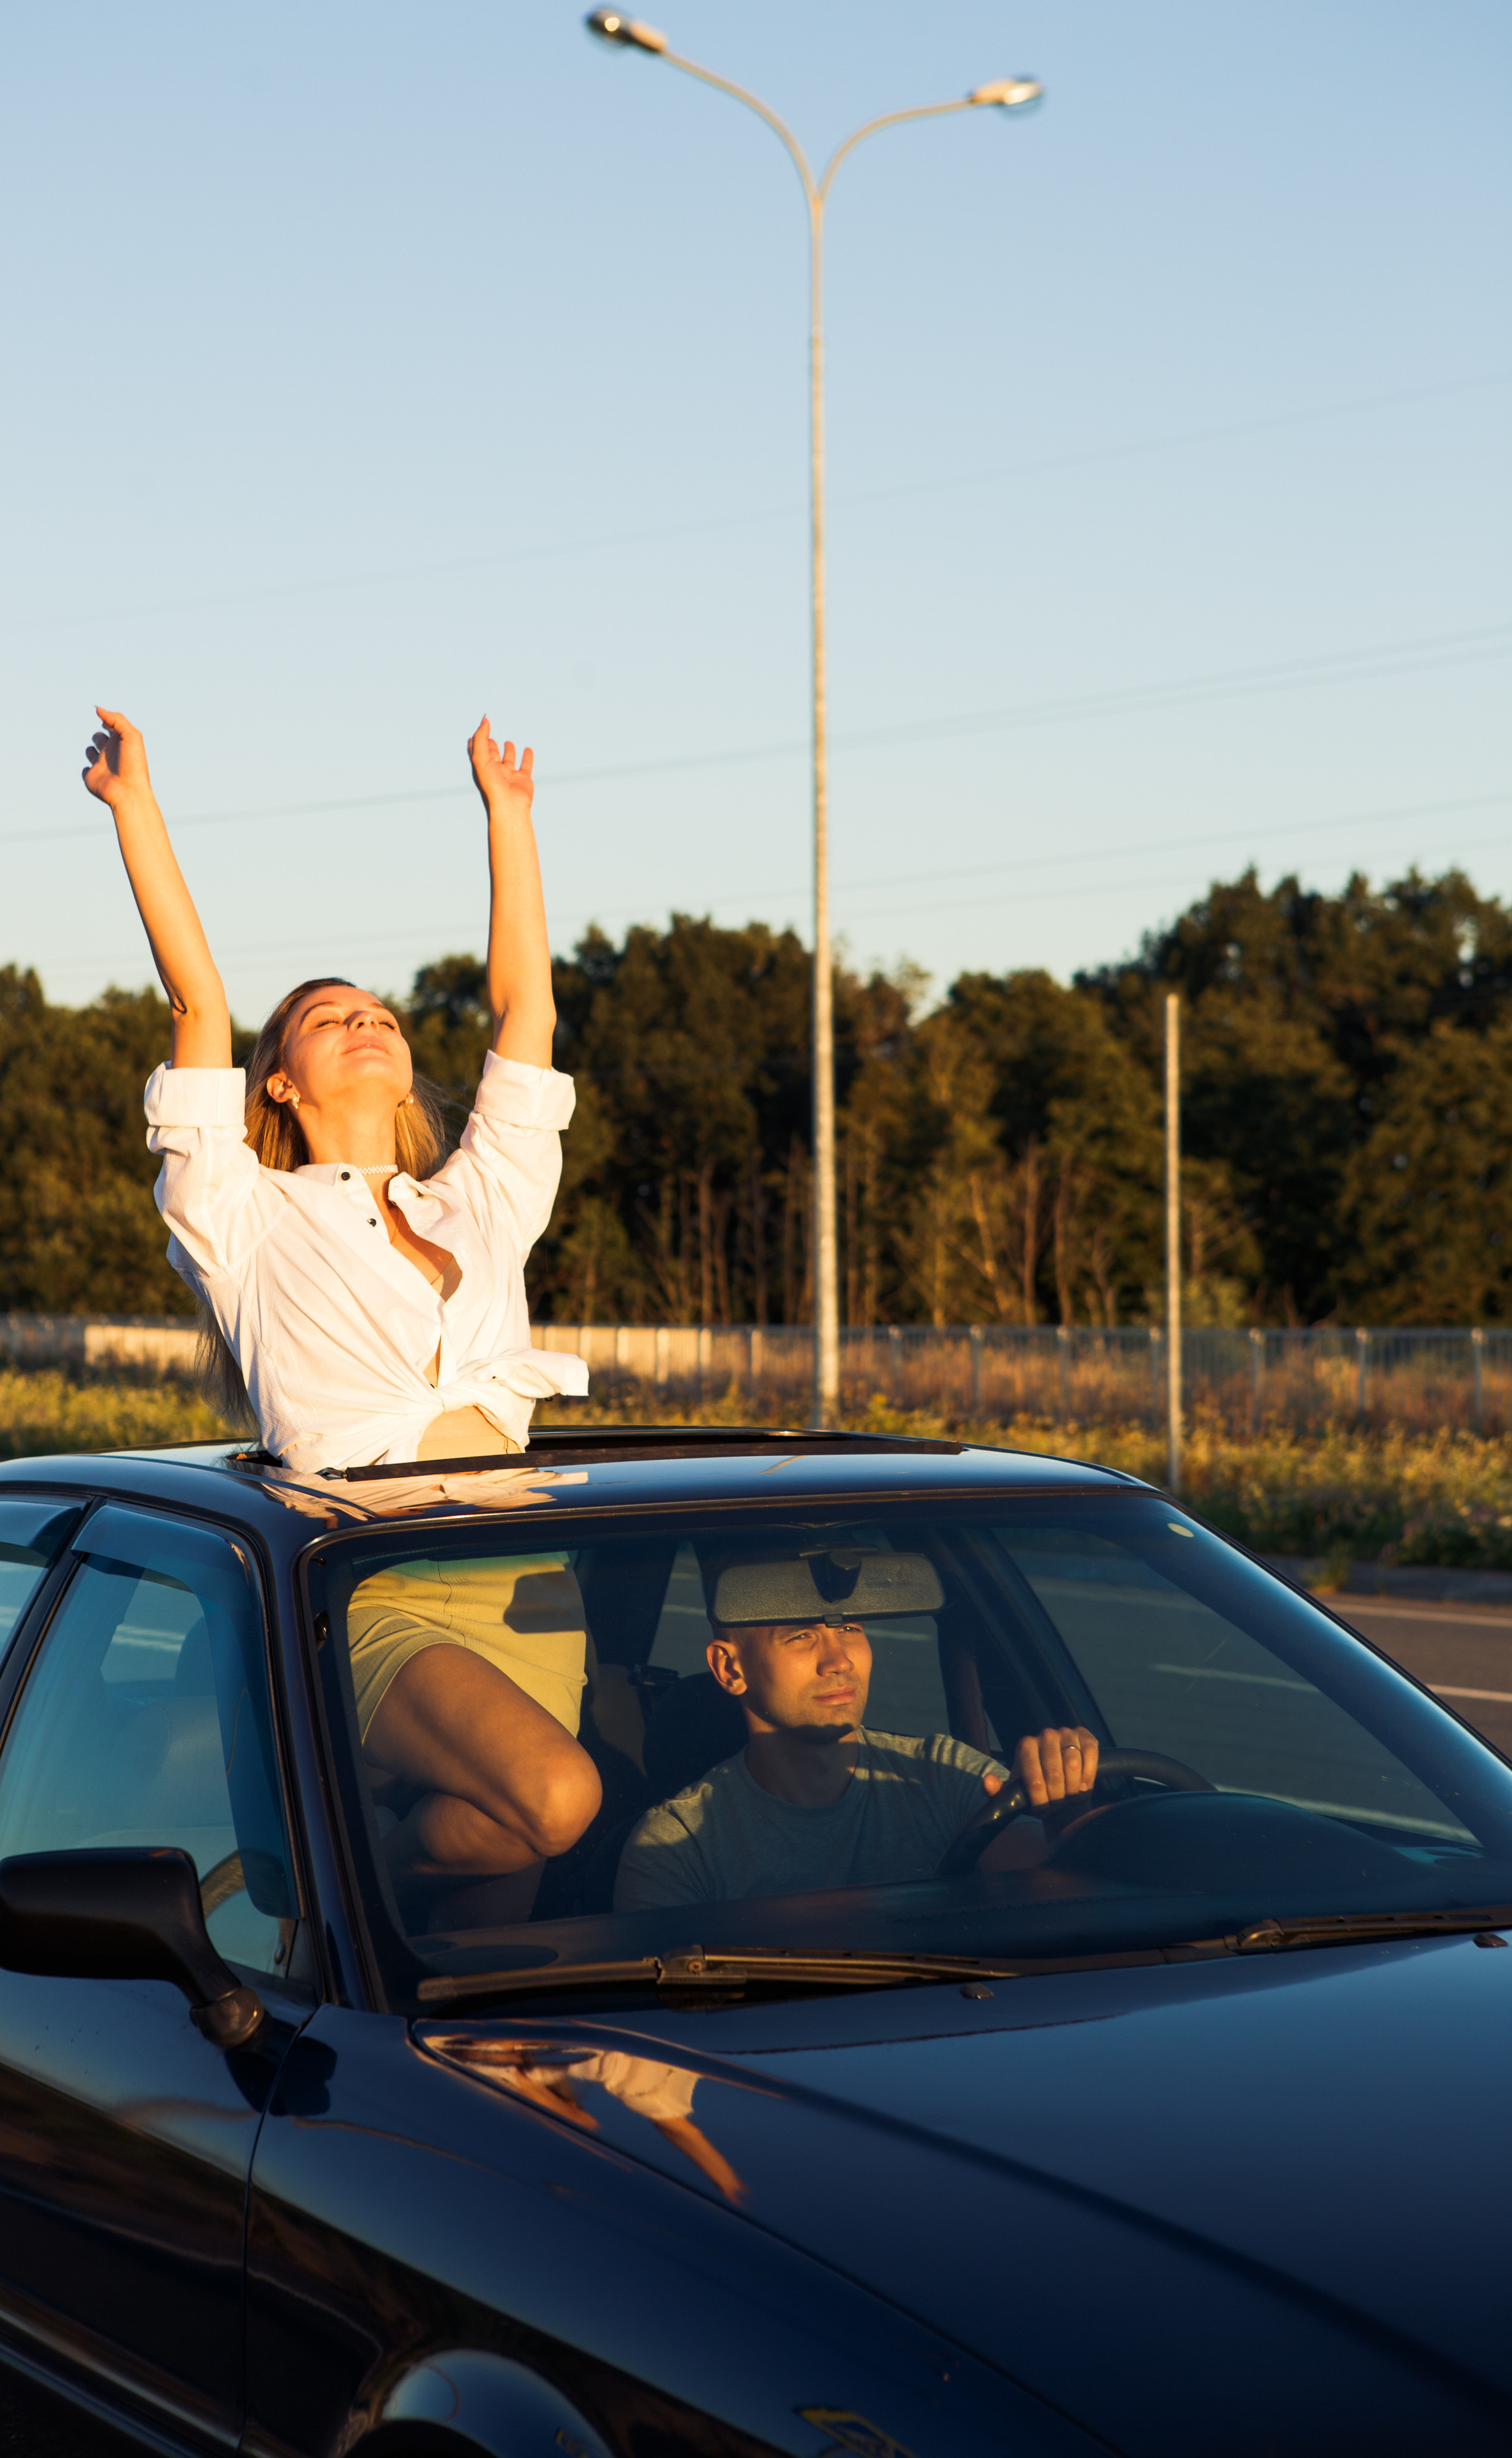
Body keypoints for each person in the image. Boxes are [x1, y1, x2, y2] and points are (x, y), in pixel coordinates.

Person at [82, 706, 601, 1924]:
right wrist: (134, 807)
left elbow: (526, 1014)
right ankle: (305, 1890)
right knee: (558, 1797)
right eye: (330, 1018)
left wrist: (510, 818)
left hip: (526, 1582)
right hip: (376, 1586)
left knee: (498, 1886)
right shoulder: (242, 1215)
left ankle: (356, 1899)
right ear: (279, 1080)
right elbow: (195, 1003)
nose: (367, 1024)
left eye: (381, 1016)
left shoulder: (480, 1197)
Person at [614, 1561, 1098, 1911]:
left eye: (850, 1629)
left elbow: (1064, 1901)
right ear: (730, 1669)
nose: (839, 1661)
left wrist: (1066, 1814)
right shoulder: (678, 1848)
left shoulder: (943, 1776)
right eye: (801, 1636)